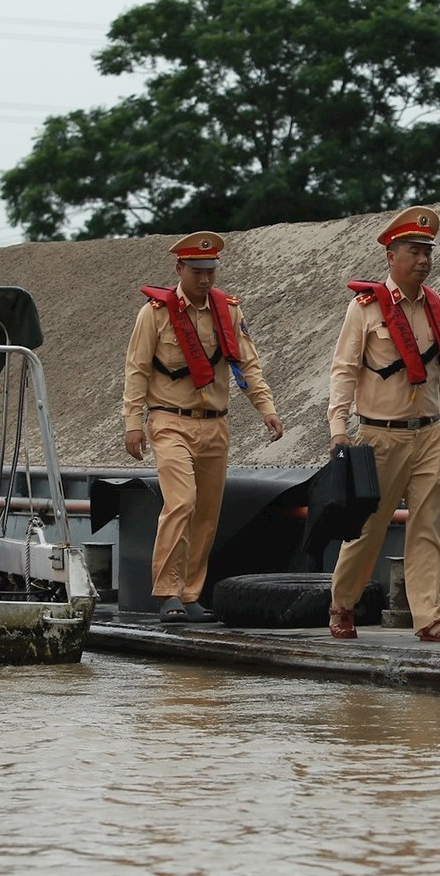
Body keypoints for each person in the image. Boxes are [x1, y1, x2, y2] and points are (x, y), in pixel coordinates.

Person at [123, 230, 285, 623]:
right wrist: (132, 423)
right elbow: (137, 368)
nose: (205, 279)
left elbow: (247, 363)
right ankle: (167, 592)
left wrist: (266, 408)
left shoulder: (227, 310)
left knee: (207, 513)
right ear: (180, 268)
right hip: (169, 421)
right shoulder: (155, 314)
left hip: (215, 424)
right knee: (181, 502)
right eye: (197, 271)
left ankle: (191, 593)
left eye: (210, 271)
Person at [326, 205, 440, 643]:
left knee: (429, 529)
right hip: (379, 437)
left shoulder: (436, 307)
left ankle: (430, 618)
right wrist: (337, 426)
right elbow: (344, 369)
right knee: (368, 528)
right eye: (413, 251)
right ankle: (342, 604)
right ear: (391, 256)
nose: (423, 260)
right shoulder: (364, 309)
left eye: (428, 251)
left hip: (429, 435)